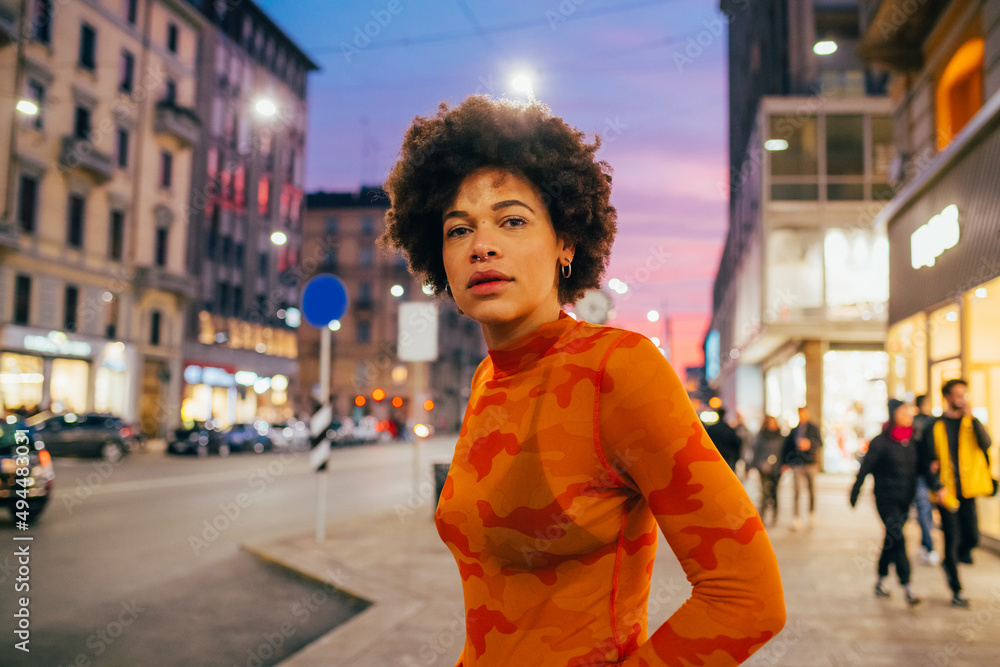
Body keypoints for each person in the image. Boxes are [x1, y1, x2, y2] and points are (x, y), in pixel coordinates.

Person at [379, 96, 785, 666]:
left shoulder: (619, 369)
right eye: (458, 229)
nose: (482, 245)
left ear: (565, 242)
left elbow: (747, 599)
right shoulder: (485, 379)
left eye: (512, 220)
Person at [918, 378, 994, 608]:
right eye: (958, 394)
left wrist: (971, 418)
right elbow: (925, 460)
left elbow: (986, 444)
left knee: (971, 537)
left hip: (969, 491)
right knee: (951, 538)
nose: (962, 398)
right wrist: (936, 486)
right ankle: (956, 587)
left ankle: (955, 558)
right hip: (946, 492)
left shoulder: (971, 422)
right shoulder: (934, 425)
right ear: (947, 397)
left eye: (965, 394)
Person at [850, 399, 922, 606]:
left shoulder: (913, 441)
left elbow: (923, 467)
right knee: (898, 537)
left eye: (909, 413)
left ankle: (880, 579)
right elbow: (865, 469)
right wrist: (855, 491)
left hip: (905, 499)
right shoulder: (880, 442)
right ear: (893, 416)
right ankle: (907, 586)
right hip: (885, 498)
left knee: (892, 538)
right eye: (903, 413)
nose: (907, 417)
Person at [781, 406, 823, 530]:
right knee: (796, 491)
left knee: (811, 490)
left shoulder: (813, 428)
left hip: (810, 463)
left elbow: (820, 443)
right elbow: (787, 447)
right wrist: (785, 463)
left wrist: (810, 444)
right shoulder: (794, 430)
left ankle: (811, 513)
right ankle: (796, 517)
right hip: (797, 464)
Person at [911, 394, 939, 565]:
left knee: (924, 509)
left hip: (921, 473)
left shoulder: (915, 422)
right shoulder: (931, 422)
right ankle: (928, 544)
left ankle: (927, 544)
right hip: (925, 472)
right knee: (924, 509)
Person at [753, 416, 785, 526]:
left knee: (775, 492)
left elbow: (783, 452)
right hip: (763, 468)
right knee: (764, 492)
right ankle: (762, 515)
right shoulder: (761, 435)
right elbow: (756, 450)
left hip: (776, 469)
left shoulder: (781, 436)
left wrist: (783, 465)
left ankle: (775, 515)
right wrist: (756, 464)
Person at [704, 407, 742, 472]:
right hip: (728, 459)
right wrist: (736, 458)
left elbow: (705, 444)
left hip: (714, 459)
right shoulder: (730, 430)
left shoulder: (711, 429)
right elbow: (736, 445)